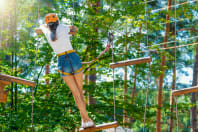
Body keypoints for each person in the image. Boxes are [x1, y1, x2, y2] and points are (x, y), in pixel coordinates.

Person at [35, 13, 110, 128]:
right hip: (73, 58)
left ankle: (85, 120)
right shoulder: (63, 27)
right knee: (80, 92)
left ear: (48, 24)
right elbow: (75, 28)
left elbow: (42, 26)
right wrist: (70, 28)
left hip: (62, 61)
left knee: (76, 93)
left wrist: (44, 26)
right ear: (57, 22)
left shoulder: (46, 32)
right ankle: (86, 119)